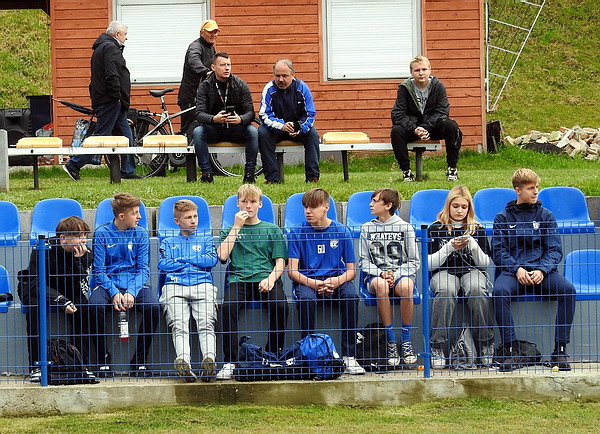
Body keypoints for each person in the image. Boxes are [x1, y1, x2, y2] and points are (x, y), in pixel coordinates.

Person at [492, 168, 576, 372]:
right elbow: (498, 251)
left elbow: (555, 250)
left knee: (568, 291)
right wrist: (516, 269)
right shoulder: (502, 218)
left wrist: (542, 270)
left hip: (542, 273)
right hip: (513, 274)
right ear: (518, 190)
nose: (536, 191)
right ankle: (510, 350)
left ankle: (560, 350)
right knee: (499, 292)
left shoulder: (546, 216)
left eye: (537, 187)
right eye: (531, 188)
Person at [287, 188, 365, 375]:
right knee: (306, 299)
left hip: (336, 280)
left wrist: (337, 281)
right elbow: (292, 272)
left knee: (351, 296)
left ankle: (349, 357)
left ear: (326, 207)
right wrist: (313, 283)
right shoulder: (297, 231)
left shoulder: (341, 231)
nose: (308, 211)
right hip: (308, 281)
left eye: (313, 207)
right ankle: (309, 354)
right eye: (306, 207)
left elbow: (352, 270)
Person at [215, 184, 288, 380]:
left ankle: (272, 355)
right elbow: (222, 256)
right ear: (237, 204)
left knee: (281, 306)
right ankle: (230, 361)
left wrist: (270, 279)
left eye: (253, 202)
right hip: (239, 279)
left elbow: (281, 262)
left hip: (266, 278)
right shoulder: (229, 230)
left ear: (260, 204)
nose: (248, 206)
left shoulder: (271, 229)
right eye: (244, 202)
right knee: (228, 308)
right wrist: (236, 227)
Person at [89, 193, 160, 377]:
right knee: (94, 306)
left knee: (153, 307)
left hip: (134, 284)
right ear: (121, 216)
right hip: (107, 285)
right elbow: (98, 270)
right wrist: (113, 292)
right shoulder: (102, 234)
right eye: (135, 213)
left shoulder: (141, 234)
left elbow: (143, 269)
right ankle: (103, 360)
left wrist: (131, 291)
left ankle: (139, 360)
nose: (139, 216)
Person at [17, 217, 96, 382]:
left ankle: (80, 365)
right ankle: (37, 366)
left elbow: (81, 287)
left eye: (84, 235)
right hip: (37, 289)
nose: (83, 240)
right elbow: (35, 283)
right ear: (63, 237)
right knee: (35, 308)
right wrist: (60, 300)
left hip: (67, 288)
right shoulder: (42, 248)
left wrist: (78, 261)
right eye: (78, 236)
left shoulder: (86, 253)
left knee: (83, 307)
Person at [427, 185, 494, 369]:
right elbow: (429, 264)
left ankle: (485, 343)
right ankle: (437, 346)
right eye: (455, 206)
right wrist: (449, 247)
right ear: (448, 206)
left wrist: (472, 245)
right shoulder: (436, 228)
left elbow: (484, 263)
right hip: (443, 272)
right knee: (446, 290)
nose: (459, 211)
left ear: (469, 208)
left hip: (472, 270)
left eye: (464, 207)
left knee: (477, 289)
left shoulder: (477, 228)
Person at [63, 21, 140, 181]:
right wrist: (117, 96)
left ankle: (128, 170)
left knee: (127, 135)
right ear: (116, 34)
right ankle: (73, 165)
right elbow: (112, 74)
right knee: (100, 136)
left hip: (110, 100)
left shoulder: (102, 47)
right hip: (110, 100)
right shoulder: (110, 48)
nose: (126, 38)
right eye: (125, 34)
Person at [158, 199, 218, 383]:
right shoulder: (168, 241)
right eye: (188, 217)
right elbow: (163, 264)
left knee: (206, 323)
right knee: (179, 324)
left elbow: (211, 260)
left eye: (195, 216)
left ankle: (209, 360)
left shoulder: (206, 238)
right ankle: (183, 362)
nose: (193, 221)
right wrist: (194, 261)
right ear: (177, 221)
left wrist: (182, 260)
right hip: (175, 285)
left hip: (202, 284)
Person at [359, 188, 420, 366]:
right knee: (381, 286)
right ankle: (390, 339)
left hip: (400, 274)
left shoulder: (405, 227)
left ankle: (406, 339)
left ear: (388, 205)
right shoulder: (367, 228)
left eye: (375, 201)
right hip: (376, 276)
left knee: (407, 287)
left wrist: (395, 274)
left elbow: (414, 261)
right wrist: (381, 273)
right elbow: (363, 261)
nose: (370, 204)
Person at [390, 55, 462, 182]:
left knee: (452, 127)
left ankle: (452, 169)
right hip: (412, 129)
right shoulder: (404, 88)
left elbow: (442, 111)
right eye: (417, 70)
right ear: (411, 72)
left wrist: (425, 127)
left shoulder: (438, 86)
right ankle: (406, 172)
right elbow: (398, 114)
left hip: (432, 127)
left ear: (430, 70)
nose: (421, 73)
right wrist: (414, 129)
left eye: (424, 69)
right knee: (396, 131)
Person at [192, 52, 258, 184]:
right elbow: (199, 113)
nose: (227, 68)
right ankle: (207, 174)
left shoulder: (240, 84)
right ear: (213, 67)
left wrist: (240, 119)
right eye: (222, 65)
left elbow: (251, 113)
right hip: (214, 128)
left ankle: (250, 174)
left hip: (236, 128)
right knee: (198, 132)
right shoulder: (205, 86)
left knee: (253, 131)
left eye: (229, 65)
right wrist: (213, 119)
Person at [258, 59, 320, 184]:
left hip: (298, 128)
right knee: (262, 133)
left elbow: (310, 114)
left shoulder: (302, 88)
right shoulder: (269, 89)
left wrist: (299, 128)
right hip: (277, 129)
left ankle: (312, 177)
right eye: (277, 76)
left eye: (284, 76)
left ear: (293, 74)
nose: (280, 79)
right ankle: (272, 178)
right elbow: (264, 115)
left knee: (312, 134)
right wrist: (282, 126)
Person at [178, 19, 219, 136]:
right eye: (210, 32)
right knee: (189, 131)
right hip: (191, 95)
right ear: (202, 33)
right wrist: (206, 72)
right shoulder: (195, 46)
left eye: (215, 32)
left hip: (202, 94)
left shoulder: (211, 48)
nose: (214, 34)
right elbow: (193, 60)